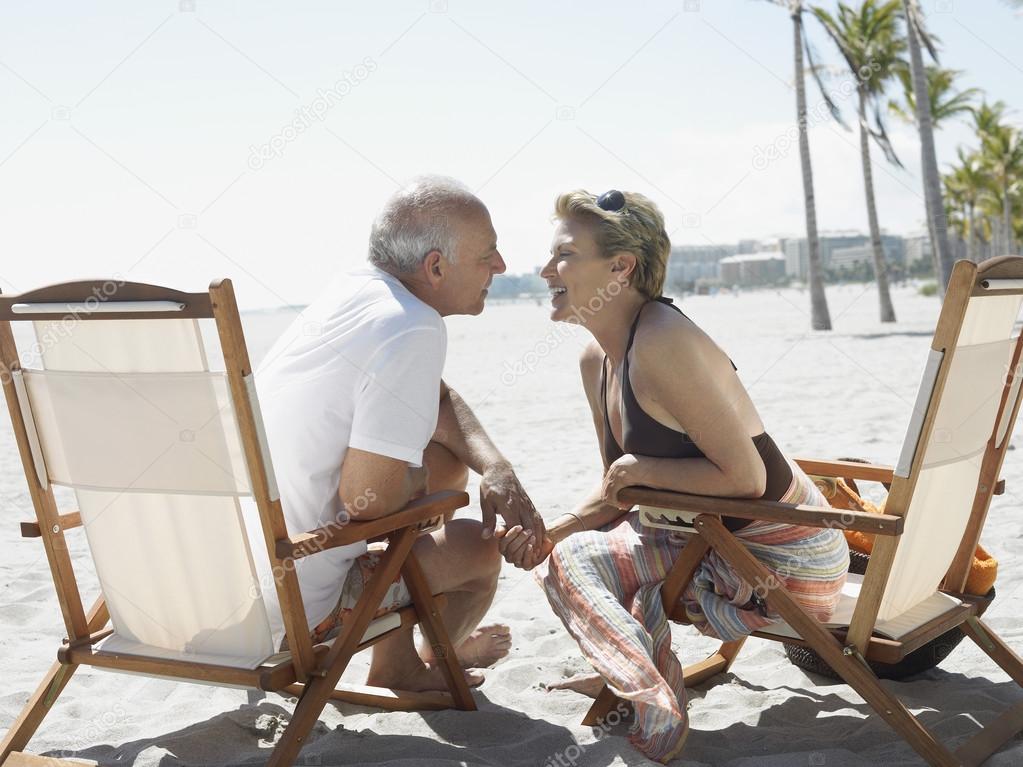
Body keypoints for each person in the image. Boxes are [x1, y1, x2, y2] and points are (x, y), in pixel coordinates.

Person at [495, 189, 848, 761]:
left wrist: (645, 467)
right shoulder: (599, 358)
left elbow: (748, 479)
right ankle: (630, 676)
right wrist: (549, 533)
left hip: (782, 559)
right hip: (709, 541)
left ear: (621, 266)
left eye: (564, 255)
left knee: (582, 566)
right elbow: (618, 490)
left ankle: (651, 703)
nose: (544, 271)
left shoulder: (661, 340)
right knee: (569, 556)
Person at [249, 176, 543, 692]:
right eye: (488, 255)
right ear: (435, 267)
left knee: (445, 463)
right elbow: (367, 503)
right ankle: (410, 663)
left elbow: (437, 397)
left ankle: (413, 649)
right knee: (478, 547)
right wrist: (432, 497)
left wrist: (493, 466)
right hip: (294, 607)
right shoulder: (411, 325)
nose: (500, 266)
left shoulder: (351, 297)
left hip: (220, 584)